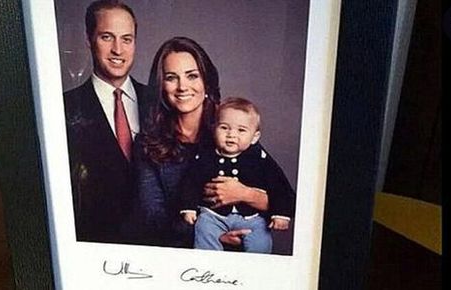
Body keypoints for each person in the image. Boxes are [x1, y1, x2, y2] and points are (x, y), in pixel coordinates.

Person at [134, 37, 270, 248]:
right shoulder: (148, 142)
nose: (182, 87)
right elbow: (153, 218)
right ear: (161, 86)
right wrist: (211, 234)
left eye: (192, 76)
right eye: (171, 78)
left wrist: (245, 193)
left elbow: (278, 197)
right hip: (177, 256)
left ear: (206, 80)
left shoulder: (231, 128)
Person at [63, 0, 155, 243]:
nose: (118, 50)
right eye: (106, 37)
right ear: (88, 39)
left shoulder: (160, 103)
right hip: (99, 251)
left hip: (162, 249)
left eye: (127, 39)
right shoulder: (64, 108)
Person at [179, 97, 296, 253]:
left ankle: (256, 269)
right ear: (214, 129)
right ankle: (206, 266)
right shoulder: (205, 156)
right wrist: (189, 208)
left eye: (241, 130)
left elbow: (279, 185)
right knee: (203, 228)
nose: (231, 135)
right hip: (214, 216)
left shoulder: (260, 158)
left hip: (252, 218)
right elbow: (190, 182)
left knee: (261, 240)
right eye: (224, 128)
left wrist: (281, 213)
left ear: (255, 137)